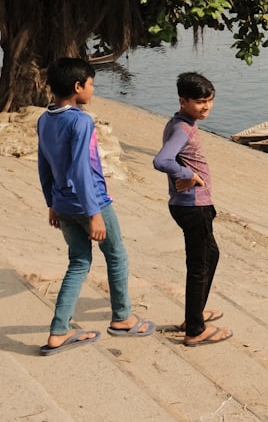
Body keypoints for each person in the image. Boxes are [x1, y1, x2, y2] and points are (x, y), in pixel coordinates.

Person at [36, 57, 155, 356]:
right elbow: (80, 170)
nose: (93, 90)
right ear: (78, 87)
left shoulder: (44, 119)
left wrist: (52, 202)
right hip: (90, 203)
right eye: (91, 85)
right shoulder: (81, 121)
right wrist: (94, 214)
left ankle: (58, 332)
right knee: (116, 256)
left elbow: (44, 165)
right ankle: (123, 318)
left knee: (78, 262)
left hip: (62, 203)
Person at [153, 72, 233, 347]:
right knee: (200, 264)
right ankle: (194, 330)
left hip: (194, 204)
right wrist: (189, 173)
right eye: (200, 102)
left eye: (210, 101)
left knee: (211, 255)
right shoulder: (181, 129)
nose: (207, 107)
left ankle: (194, 314)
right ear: (183, 101)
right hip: (192, 205)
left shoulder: (183, 123)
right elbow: (161, 159)